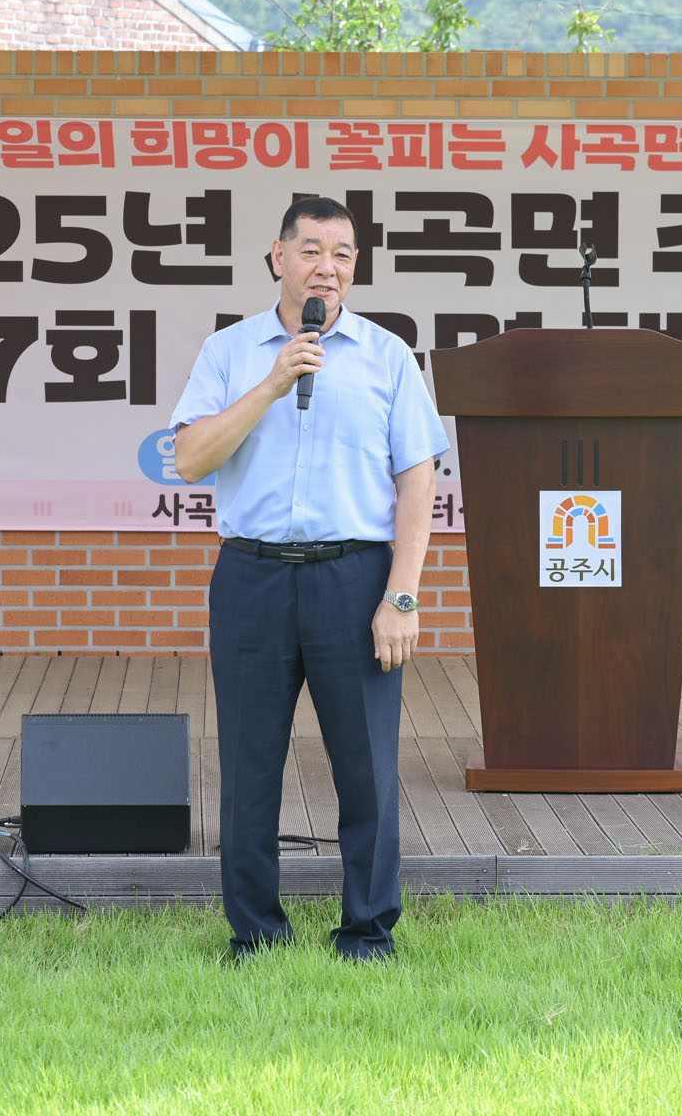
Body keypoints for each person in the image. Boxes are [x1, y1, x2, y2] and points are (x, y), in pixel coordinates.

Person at [169, 196, 449, 961]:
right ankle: (256, 933)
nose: (328, 267)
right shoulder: (230, 352)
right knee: (249, 766)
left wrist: (401, 595)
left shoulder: (387, 355)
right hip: (251, 578)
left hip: (354, 580)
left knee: (367, 769)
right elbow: (189, 459)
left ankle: (368, 931)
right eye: (313, 250)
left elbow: (418, 481)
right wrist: (272, 382)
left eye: (344, 254)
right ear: (278, 257)